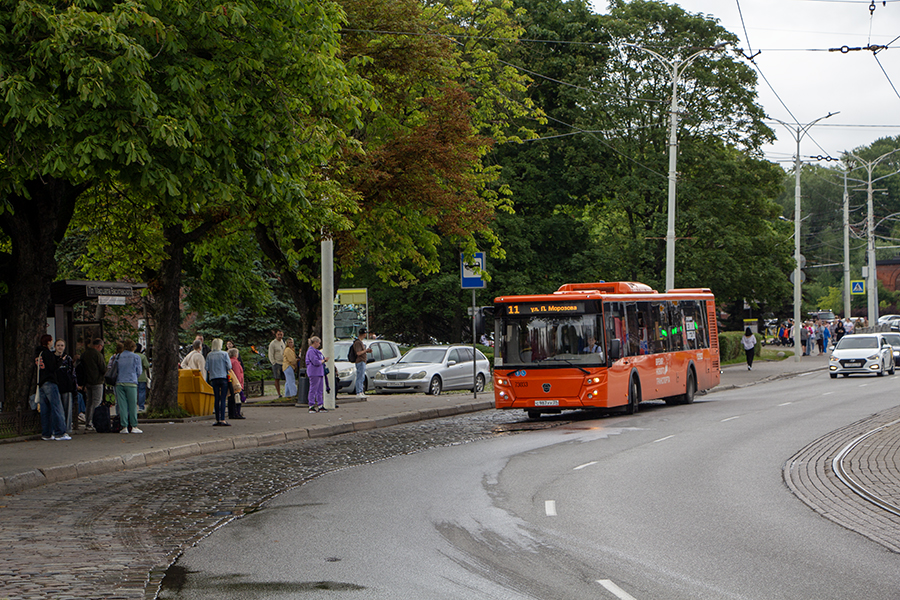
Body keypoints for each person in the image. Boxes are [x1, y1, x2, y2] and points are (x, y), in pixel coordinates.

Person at [35, 334, 68, 441]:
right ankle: (60, 432)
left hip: (41, 382)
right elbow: (53, 367)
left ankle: (46, 433)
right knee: (56, 407)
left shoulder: (38, 354)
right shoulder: (47, 353)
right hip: (50, 381)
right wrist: (60, 360)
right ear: (48, 342)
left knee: (45, 410)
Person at [115, 339, 143, 434]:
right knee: (132, 405)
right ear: (133, 347)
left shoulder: (118, 356)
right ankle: (134, 425)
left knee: (122, 406)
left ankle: (124, 426)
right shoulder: (136, 357)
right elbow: (139, 371)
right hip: (131, 382)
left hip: (119, 382)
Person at [80, 338, 106, 432]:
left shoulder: (85, 353)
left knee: (89, 402)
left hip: (87, 381)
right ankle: (94, 422)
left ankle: (88, 422)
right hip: (97, 381)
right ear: (99, 346)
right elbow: (103, 368)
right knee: (96, 402)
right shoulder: (97, 354)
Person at [206, 338, 231, 426]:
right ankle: (223, 419)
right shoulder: (224, 354)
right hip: (223, 377)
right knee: (223, 399)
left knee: (216, 398)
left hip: (214, 378)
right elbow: (229, 366)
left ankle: (217, 419)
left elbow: (207, 367)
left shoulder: (209, 355)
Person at [54, 339, 76, 433]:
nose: (60, 347)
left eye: (62, 345)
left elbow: (72, 373)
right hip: (56, 385)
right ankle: (57, 428)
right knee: (57, 408)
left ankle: (67, 428)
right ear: (55, 346)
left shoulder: (68, 358)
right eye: (58, 345)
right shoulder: (52, 357)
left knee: (67, 408)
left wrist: (74, 385)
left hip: (67, 386)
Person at [305, 336, 327, 413]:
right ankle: (311, 405)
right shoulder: (311, 351)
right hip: (314, 372)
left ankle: (320, 405)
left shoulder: (316, 351)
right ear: (315, 342)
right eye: (318, 343)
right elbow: (316, 362)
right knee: (313, 389)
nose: (319, 344)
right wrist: (323, 361)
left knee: (320, 390)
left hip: (319, 372)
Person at [352, 328, 372, 400]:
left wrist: (366, 351)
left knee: (362, 377)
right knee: (360, 377)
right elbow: (358, 353)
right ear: (363, 334)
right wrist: (365, 350)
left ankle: (361, 391)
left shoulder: (361, 342)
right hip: (360, 361)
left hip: (362, 361)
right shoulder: (358, 343)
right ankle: (359, 392)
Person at [227, 348, 245, 420]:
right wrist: (239, 384)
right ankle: (236, 413)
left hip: (231, 382)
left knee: (231, 398)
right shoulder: (235, 362)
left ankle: (232, 413)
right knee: (237, 398)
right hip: (236, 383)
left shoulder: (229, 361)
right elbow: (237, 374)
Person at [268, 329, 286, 398]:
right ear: (276, 335)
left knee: (285, 378)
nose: (280, 336)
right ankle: (279, 393)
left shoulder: (283, 342)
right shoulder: (273, 343)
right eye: (278, 334)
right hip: (277, 363)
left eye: (281, 334)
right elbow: (271, 354)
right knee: (277, 378)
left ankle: (286, 392)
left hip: (283, 363)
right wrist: (273, 362)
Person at [135, 343, 151, 412]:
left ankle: (134, 405)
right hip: (142, 376)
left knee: (134, 392)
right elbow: (147, 365)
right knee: (142, 391)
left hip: (133, 377)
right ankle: (141, 406)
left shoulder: (132, 356)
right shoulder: (142, 357)